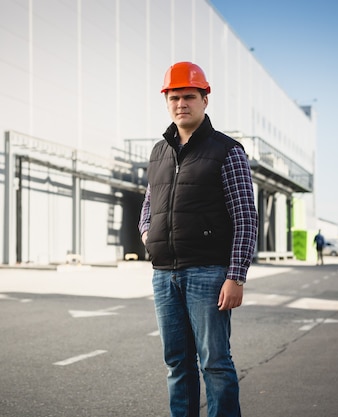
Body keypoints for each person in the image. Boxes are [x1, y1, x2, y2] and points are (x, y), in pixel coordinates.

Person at [138, 61, 258, 417]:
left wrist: (236, 276)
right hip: (164, 274)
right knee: (177, 364)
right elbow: (149, 203)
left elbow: (245, 217)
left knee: (215, 363)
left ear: (205, 99)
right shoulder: (159, 151)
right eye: (174, 97)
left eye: (189, 96)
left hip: (208, 273)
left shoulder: (228, 150)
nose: (181, 104)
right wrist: (148, 235)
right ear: (166, 101)